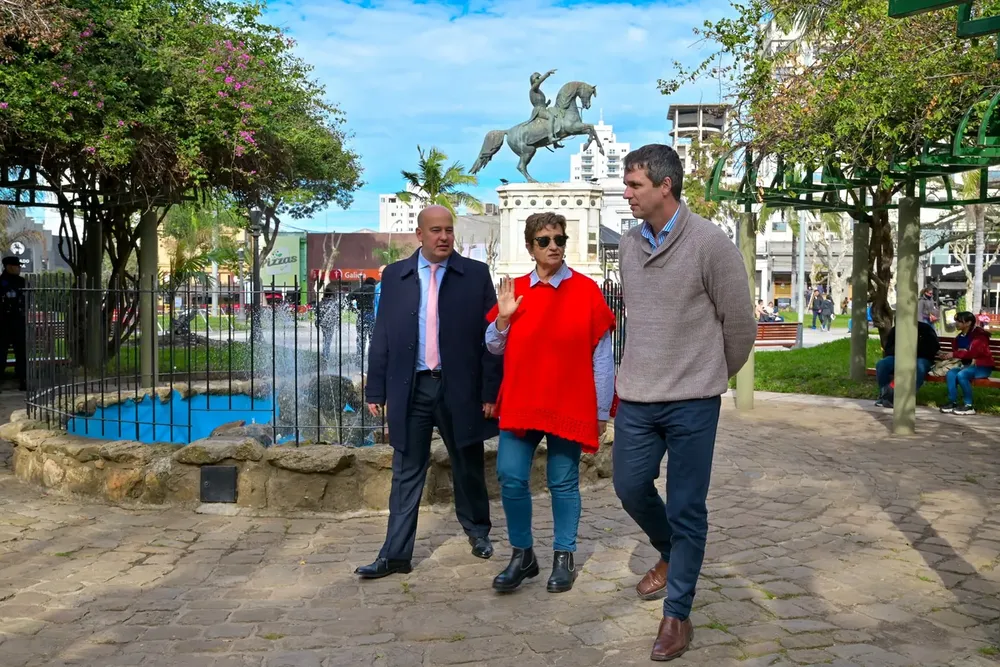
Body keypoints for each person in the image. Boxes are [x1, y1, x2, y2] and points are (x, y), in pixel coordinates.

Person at [613, 144, 756, 661]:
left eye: (634, 186)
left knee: (687, 506)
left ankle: (677, 616)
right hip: (638, 397)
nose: (625, 194)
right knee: (629, 486)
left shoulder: (710, 244)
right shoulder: (629, 244)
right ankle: (671, 552)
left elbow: (740, 326)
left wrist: (711, 375)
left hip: (693, 400)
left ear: (665, 186)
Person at [357, 205, 502, 579]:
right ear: (419, 234)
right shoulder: (396, 276)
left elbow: (491, 340)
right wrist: (376, 388)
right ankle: (395, 554)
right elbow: (383, 334)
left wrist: (490, 391)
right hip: (413, 387)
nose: (444, 237)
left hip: (460, 388)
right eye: (435, 230)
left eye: (448, 230)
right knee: (406, 471)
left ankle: (479, 532)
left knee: (468, 464)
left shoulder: (475, 275)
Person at [484, 212, 615, 594]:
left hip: (569, 402)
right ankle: (523, 555)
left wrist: (602, 410)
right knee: (510, 475)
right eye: (544, 240)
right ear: (530, 247)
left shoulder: (587, 290)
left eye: (559, 239)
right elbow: (492, 346)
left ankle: (564, 557)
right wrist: (504, 320)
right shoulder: (516, 290)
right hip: (523, 401)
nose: (553, 246)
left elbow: (602, 357)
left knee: (563, 481)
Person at [874, 321, 940, 408]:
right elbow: (888, 349)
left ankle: (907, 397)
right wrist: (901, 351)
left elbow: (933, 348)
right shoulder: (896, 330)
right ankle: (885, 395)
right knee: (882, 364)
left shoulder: (925, 329)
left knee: (919, 367)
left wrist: (914, 351)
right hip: (899, 357)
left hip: (921, 358)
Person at [940, 311, 995, 415]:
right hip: (967, 366)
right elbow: (957, 351)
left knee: (962, 375)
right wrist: (950, 355)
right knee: (951, 373)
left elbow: (975, 352)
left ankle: (968, 406)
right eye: (956, 321)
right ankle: (952, 402)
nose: (956, 323)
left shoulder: (979, 335)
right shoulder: (960, 337)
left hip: (982, 366)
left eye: (959, 321)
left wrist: (956, 354)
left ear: (968, 323)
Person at [0, 256, 26, 391]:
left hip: (19, 322)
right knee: (1, 353)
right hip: (3, 323)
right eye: (17, 266)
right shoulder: (1, 282)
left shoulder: (22, 282)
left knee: (21, 352)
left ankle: (23, 379)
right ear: (9, 267)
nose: (19, 268)